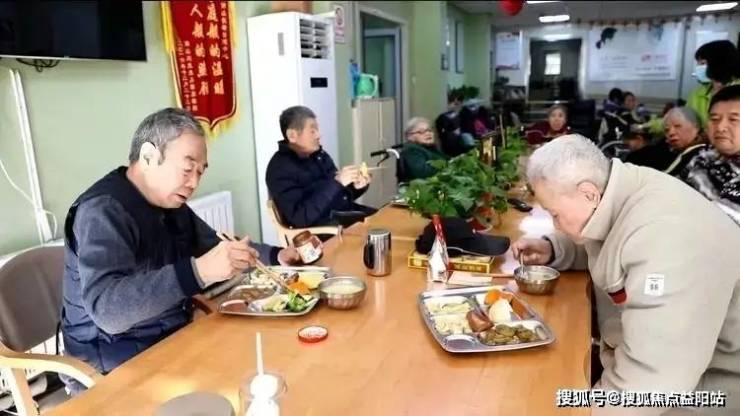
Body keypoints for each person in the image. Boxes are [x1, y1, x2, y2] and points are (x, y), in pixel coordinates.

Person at [61, 108, 301, 393]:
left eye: (200, 172)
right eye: (188, 169)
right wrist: (198, 271)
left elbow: (218, 245)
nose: (194, 183)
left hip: (166, 335)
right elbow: (108, 312)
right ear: (149, 157)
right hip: (111, 360)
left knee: (272, 364)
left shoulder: (170, 204)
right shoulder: (103, 211)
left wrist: (276, 256)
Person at [511, 135, 740, 414]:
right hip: (652, 370)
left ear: (588, 193)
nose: (555, 224)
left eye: (555, 214)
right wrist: (554, 248)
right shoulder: (624, 191)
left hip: (703, 393)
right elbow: (614, 239)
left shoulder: (667, 240)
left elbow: (654, 382)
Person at [266, 106, 375, 228]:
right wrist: (337, 183)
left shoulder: (319, 156)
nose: (319, 135)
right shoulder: (280, 169)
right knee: (384, 228)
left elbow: (339, 196)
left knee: (389, 216)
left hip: (344, 215)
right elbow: (300, 218)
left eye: (317, 130)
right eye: (313, 131)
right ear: (292, 135)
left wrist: (356, 186)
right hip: (324, 230)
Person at [643, 40, 740, 136]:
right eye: (698, 64)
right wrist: (647, 127)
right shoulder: (698, 94)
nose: (698, 69)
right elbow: (683, 119)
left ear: (719, 63)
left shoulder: (737, 91)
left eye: (702, 64)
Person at [684, 84, 740, 225]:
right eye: (714, 119)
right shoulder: (701, 157)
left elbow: (716, 224)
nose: (720, 127)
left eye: (733, 119)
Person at [398, 117, 449, 182]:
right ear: (410, 136)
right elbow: (424, 173)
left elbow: (449, 161)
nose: (428, 133)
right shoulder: (411, 150)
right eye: (421, 132)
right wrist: (447, 167)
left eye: (429, 130)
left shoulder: (431, 148)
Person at [662, 106, 707, 177]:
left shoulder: (700, 153)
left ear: (696, 128)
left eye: (677, 126)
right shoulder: (676, 153)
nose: (671, 133)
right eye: (667, 130)